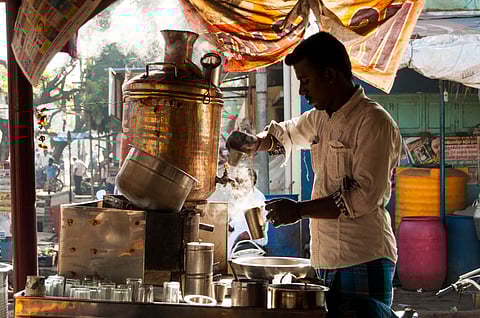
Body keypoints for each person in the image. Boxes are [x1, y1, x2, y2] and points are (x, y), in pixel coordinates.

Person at [226, 32, 401, 317]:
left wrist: (298, 210)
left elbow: (362, 197)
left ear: (330, 75)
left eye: (305, 81)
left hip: (363, 257)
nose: (301, 91)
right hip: (325, 259)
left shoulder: (373, 122)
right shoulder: (321, 117)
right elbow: (288, 134)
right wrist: (256, 143)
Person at [228, 169, 268, 258]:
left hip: (252, 242)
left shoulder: (257, 197)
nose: (243, 183)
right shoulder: (242, 196)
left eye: (246, 180)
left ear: (253, 181)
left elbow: (256, 229)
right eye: (241, 180)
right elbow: (237, 217)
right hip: (237, 239)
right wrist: (230, 225)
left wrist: (243, 235)